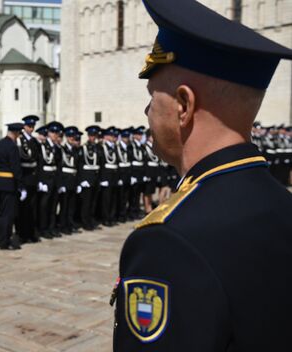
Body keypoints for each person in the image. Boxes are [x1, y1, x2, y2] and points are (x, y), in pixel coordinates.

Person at [113, 0, 292, 351]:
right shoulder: (281, 203)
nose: (147, 111)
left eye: (153, 97)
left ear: (183, 105)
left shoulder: (169, 241)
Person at [0, 123, 25, 250]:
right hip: (9, 183)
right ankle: (5, 241)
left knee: (1, 212)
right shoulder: (12, 146)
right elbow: (16, 167)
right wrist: (20, 184)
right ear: (16, 133)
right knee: (8, 214)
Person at [15, 115, 40, 243]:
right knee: (23, 209)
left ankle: (31, 232)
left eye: (33, 126)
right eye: (29, 126)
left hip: (33, 178)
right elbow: (19, 161)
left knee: (32, 208)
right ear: (24, 126)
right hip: (24, 177)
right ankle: (22, 234)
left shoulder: (35, 141)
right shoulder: (20, 140)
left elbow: (38, 160)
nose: (31, 128)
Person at [77, 125, 101, 230]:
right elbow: (79, 165)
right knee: (86, 203)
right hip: (86, 179)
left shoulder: (98, 148)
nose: (93, 137)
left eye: (94, 135)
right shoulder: (83, 148)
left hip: (95, 178)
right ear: (88, 136)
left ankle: (91, 220)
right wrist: (82, 180)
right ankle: (85, 222)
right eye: (91, 135)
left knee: (93, 201)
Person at [99, 127, 119, 226]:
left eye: (114, 135)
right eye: (111, 135)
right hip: (106, 176)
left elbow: (117, 163)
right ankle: (105, 218)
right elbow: (101, 163)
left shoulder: (115, 147)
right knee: (106, 199)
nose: (113, 137)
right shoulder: (102, 147)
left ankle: (112, 216)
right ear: (106, 136)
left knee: (113, 198)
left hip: (114, 176)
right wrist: (103, 178)